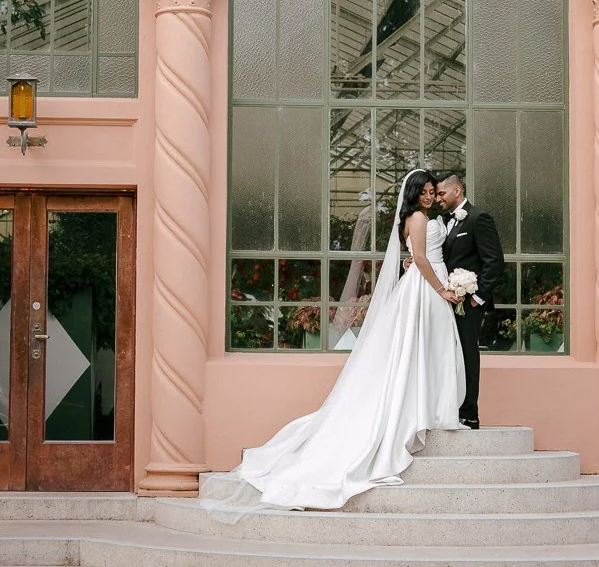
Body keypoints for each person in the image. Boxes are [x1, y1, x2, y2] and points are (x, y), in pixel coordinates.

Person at [198, 169, 466, 515]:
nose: (429, 196)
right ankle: (421, 408)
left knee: (426, 349)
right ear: (414, 194)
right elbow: (421, 259)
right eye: (425, 191)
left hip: (424, 282)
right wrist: (441, 287)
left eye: (433, 191)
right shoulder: (416, 217)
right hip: (425, 287)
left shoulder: (421, 217)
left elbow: (416, 256)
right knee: (419, 349)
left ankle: (428, 405)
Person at [435, 173, 504, 429]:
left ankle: (469, 413)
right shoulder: (442, 222)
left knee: (467, 354)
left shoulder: (478, 218)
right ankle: (447, 409)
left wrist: (477, 296)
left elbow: (494, 261)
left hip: (468, 303)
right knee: (445, 354)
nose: (438, 198)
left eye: (442, 193)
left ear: (457, 190)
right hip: (445, 301)